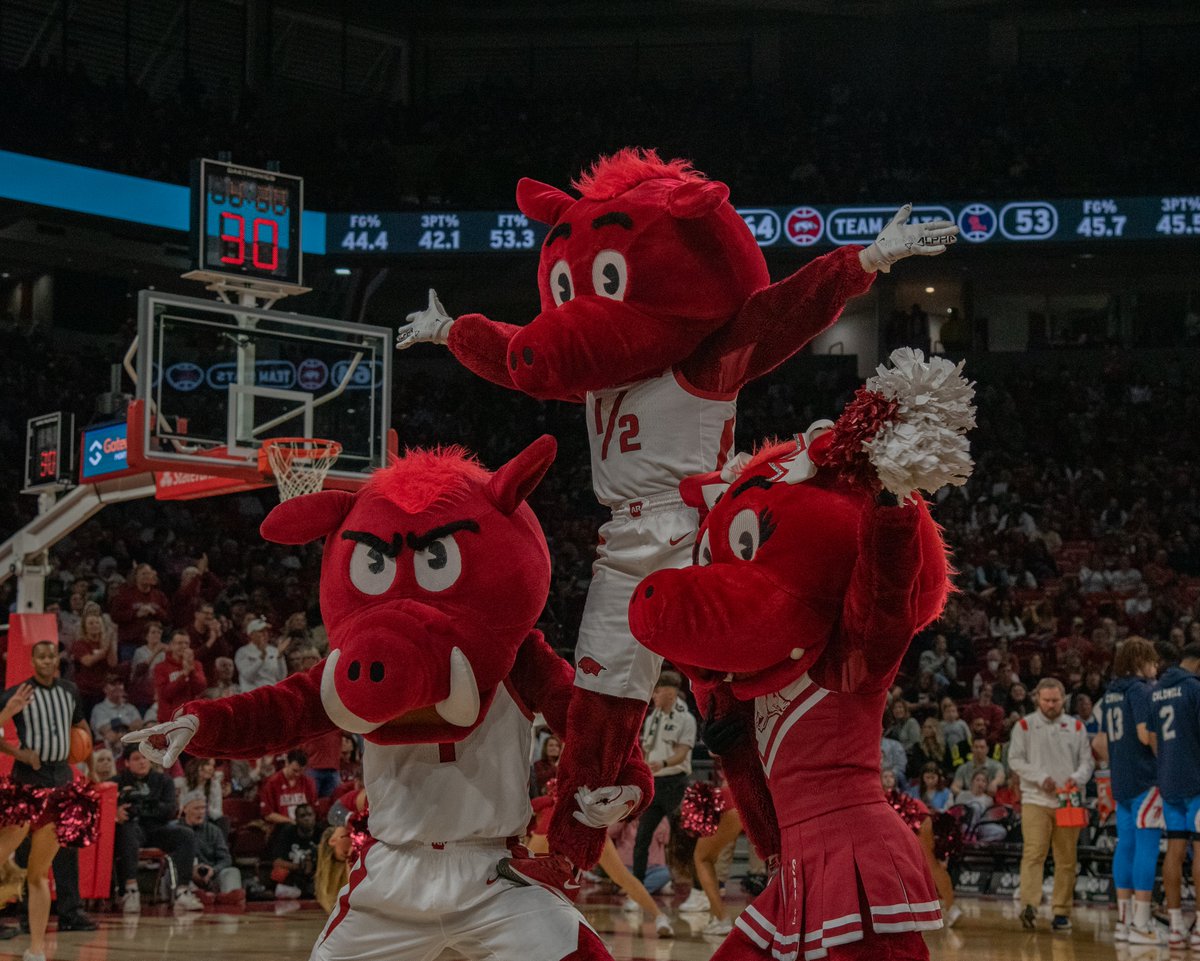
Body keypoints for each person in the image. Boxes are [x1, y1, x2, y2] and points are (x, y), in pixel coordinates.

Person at [0, 642, 100, 955]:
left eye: (51, 656)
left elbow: (82, 730)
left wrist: (92, 768)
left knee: (39, 873)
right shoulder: (18, 693)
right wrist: (17, 749)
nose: (46, 661)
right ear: (31, 660)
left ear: (56, 659)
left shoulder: (69, 691)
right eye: (40, 656)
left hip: (60, 790)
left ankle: (37, 949)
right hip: (25, 789)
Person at [1009, 677, 1094, 931]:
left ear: (1064, 699)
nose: (1050, 705)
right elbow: (1015, 759)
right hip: (1035, 799)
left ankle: (1061, 911)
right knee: (1034, 853)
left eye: (1055, 700)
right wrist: (1040, 778)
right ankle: (1029, 905)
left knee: (1067, 859)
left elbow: (1087, 762)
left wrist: (1076, 778)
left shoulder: (1077, 727)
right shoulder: (1023, 726)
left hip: (1068, 800)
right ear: (1037, 699)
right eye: (1046, 700)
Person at [1094, 637, 1163, 945]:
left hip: (1119, 780)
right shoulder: (1142, 690)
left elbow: (1099, 743)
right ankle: (1141, 923)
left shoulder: (1110, 693)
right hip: (1146, 780)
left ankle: (1124, 923)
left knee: (1126, 846)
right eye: (1152, 660)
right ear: (1140, 662)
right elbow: (1145, 735)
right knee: (1147, 848)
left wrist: (1122, 759)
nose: (1156, 666)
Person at [1150, 641, 1200, 949]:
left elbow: (1153, 738)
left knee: (1174, 851)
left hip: (1168, 782)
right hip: (1196, 782)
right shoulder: (1194, 689)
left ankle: (1176, 928)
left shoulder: (1156, 691)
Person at [113, 751, 202, 912]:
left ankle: (182, 892)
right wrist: (116, 811)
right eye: (136, 758)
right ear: (126, 763)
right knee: (127, 826)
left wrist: (140, 807)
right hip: (131, 831)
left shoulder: (163, 781)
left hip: (157, 829)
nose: (142, 762)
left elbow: (169, 809)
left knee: (185, 835)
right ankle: (130, 891)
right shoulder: (116, 782)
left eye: (145, 757)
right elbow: (110, 809)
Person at [632, 672, 695, 884]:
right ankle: (637, 884)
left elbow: (683, 753)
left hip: (675, 783)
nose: (653, 697)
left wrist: (664, 763)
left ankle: (688, 881)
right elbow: (647, 750)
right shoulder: (651, 718)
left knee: (681, 836)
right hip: (655, 782)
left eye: (657, 691)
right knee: (642, 836)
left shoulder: (686, 719)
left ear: (670, 692)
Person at [883, 768, 960, 928]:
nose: (889, 779)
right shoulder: (882, 796)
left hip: (919, 822)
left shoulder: (897, 797)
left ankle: (951, 907)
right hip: (907, 826)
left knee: (932, 865)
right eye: (885, 776)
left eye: (891, 776)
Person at [177, 791, 243, 905]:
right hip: (186, 874)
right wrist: (190, 870)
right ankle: (195, 896)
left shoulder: (214, 830)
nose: (201, 812)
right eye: (196, 808)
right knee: (175, 875)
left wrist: (214, 870)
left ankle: (228, 898)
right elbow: (169, 858)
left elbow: (226, 859)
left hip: (210, 874)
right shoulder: (175, 830)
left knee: (232, 871)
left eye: (203, 808)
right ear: (185, 809)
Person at [153, 629, 207, 727]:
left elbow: (200, 688)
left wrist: (191, 672)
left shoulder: (196, 665)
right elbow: (165, 694)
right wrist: (183, 675)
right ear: (171, 645)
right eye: (179, 643)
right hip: (169, 722)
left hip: (191, 719)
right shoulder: (161, 668)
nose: (184, 646)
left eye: (186, 643)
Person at [266, 803, 319, 899]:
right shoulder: (287, 832)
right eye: (302, 816)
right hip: (292, 874)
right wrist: (299, 866)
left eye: (310, 815)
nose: (307, 819)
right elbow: (277, 862)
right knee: (279, 872)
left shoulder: (321, 832)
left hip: (314, 875)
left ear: (315, 817)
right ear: (296, 820)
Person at [258, 749, 318, 825]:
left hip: (304, 827)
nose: (298, 774)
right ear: (286, 763)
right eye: (295, 770)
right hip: (282, 827)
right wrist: (291, 822)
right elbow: (268, 815)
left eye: (301, 771)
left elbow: (314, 809)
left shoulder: (308, 782)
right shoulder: (271, 783)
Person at [235, 618, 287, 692]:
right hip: (252, 695)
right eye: (261, 631)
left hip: (271, 693)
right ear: (251, 635)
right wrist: (261, 658)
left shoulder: (274, 650)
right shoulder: (242, 652)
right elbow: (248, 676)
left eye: (266, 631)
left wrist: (280, 657)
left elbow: (281, 677)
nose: (265, 634)